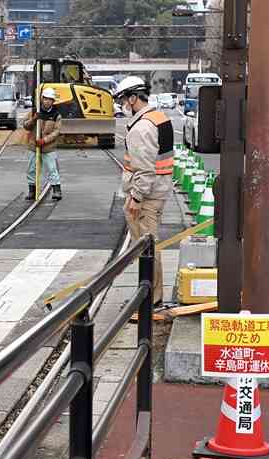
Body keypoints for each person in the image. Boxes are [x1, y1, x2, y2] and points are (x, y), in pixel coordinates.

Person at [113, 76, 174, 305]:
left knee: (147, 247)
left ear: (133, 98)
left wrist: (136, 196)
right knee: (149, 245)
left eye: (123, 100)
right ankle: (150, 294)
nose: (122, 106)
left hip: (146, 196)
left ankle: (151, 299)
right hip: (159, 190)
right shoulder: (159, 118)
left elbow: (146, 169)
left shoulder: (142, 127)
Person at [22, 87, 62, 201]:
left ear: (53, 101)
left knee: (52, 168)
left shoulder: (56, 115)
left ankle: (57, 190)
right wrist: (33, 119)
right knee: (31, 168)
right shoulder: (34, 112)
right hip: (33, 146)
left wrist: (45, 140)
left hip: (48, 147)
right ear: (42, 99)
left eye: (50, 99)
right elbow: (25, 126)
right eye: (45, 99)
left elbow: (57, 131)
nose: (47, 101)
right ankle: (32, 190)